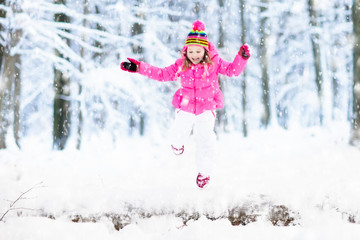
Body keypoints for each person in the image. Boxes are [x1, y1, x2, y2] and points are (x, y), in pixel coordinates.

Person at [120, 20, 250, 189]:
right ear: (186, 51)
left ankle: (204, 172)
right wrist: (138, 67)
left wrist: (242, 57)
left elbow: (233, 70)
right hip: (186, 107)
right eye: (191, 51)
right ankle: (177, 145)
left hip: (206, 108)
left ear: (205, 51)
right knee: (178, 132)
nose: (194, 55)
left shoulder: (214, 63)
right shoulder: (181, 65)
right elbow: (161, 74)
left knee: (205, 140)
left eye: (198, 51)